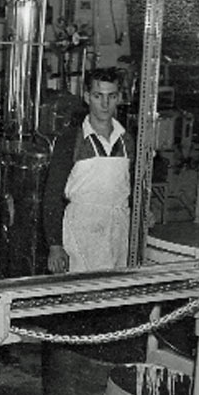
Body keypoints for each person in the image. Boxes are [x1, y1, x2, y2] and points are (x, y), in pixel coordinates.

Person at [43, 69, 134, 274]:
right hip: (81, 232)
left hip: (119, 231)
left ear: (119, 98)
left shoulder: (127, 140)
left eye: (111, 96)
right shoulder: (71, 140)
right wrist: (55, 245)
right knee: (81, 297)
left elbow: (134, 187)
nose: (104, 104)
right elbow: (52, 195)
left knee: (116, 296)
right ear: (86, 97)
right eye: (97, 96)